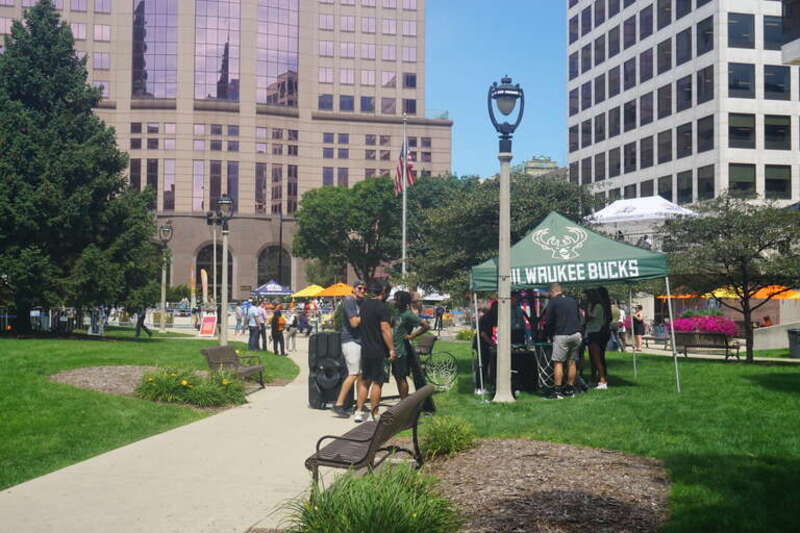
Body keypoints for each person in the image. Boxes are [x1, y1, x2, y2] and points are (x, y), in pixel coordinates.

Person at [355, 279, 395, 423]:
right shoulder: (382, 307)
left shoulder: (364, 305)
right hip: (379, 350)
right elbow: (385, 329)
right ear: (382, 292)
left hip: (366, 349)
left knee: (365, 382)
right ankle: (375, 413)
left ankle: (358, 412)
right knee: (377, 382)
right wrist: (391, 349)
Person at [542, 283, 582, 399]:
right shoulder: (572, 300)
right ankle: (570, 389)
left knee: (558, 362)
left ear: (552, 292)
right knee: (572, 361)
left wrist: (547, 334)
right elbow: (579, 317)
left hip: (562, 334)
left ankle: (558, 391)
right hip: (576, 334)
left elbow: (548, 321)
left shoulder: (553, 302)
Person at [332, 281, 366, 418]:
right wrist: (368, 313)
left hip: (360, 341)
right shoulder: (349, 300)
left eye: (364, 288)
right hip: (350, 341)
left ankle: (359, 405)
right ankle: (339, 404)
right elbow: (354, 323)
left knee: (361, 375)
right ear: (353, 289)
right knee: (353, 373)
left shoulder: (361, 302)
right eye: (359, 288)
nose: (362, 290)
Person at [392, 291, 430, 400]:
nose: (395, 301)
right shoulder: (396, 312)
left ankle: (405, 403)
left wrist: (412, 336)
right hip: (395, 349)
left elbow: (426, 326)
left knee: (401, 377)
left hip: (402, 351)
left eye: (397, 299)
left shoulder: (408, 315)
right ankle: (402, 401)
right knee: (397, 377)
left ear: (403, 302)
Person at [584, 288, 611, 389]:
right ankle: (594, 378)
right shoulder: (596, 305)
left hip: (596, 332)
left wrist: (586, 308)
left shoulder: (598, 306)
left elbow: (590, 317)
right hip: (592, 331)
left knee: (597, 357)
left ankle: (602, 379)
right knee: (593, 357)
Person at [476, 301, 498, 393]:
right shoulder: (487, 318)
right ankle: (479, 388)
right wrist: (492, 344)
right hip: (482, 344)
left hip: (485, 343)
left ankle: (485, 385)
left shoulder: (489, 317)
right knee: (482, 365)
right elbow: (483, 334)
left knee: (486, 365)